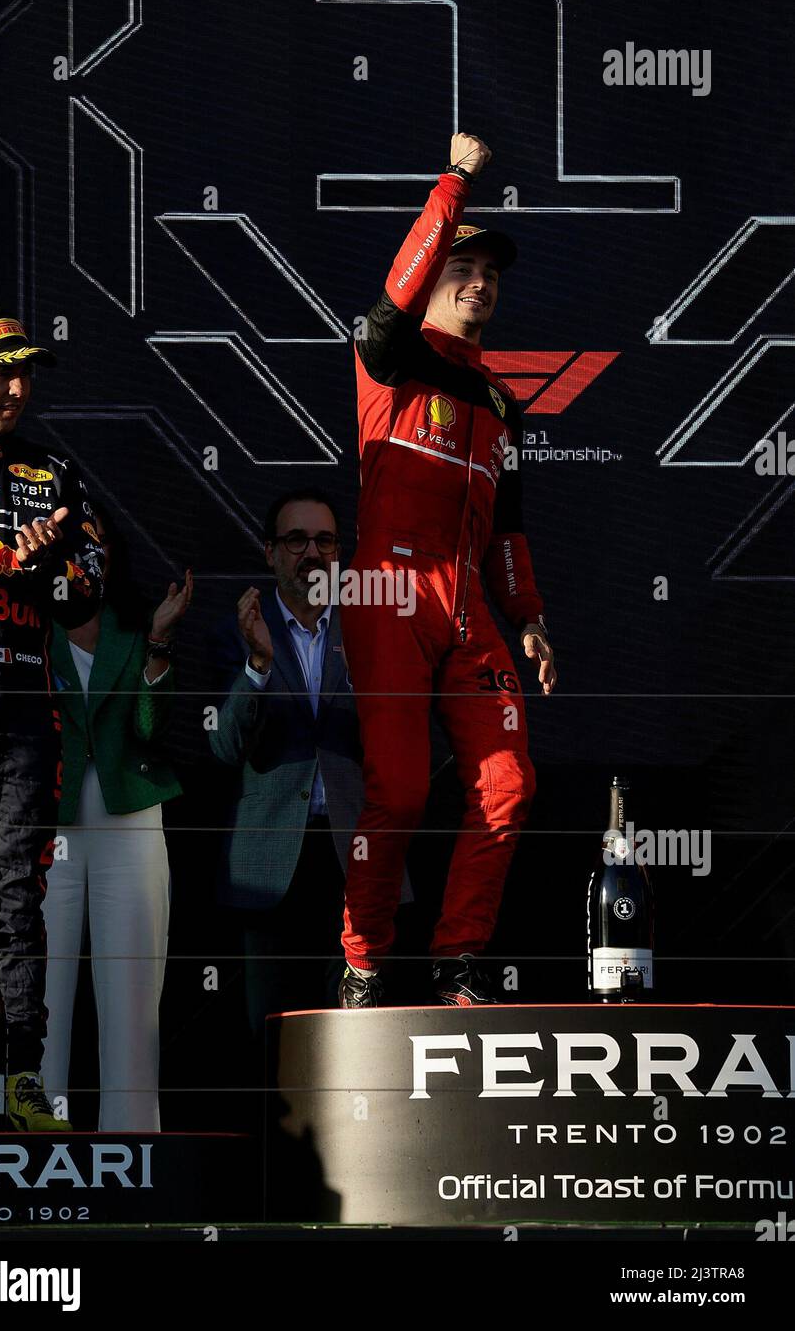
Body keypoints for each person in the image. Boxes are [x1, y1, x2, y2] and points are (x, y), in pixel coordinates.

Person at [339, 134, 557, 1008]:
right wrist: (454, 182)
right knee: (394, 791)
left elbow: (508, 527)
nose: (481, 284)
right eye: (463, 269)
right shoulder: (389, 353)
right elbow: (397, 293)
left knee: (509, 782)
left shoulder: (502, 401)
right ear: (431, 278)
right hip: (387, 588)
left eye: (492, 276)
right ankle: (362, 958)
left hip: (467, 601)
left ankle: (456, 961)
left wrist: (531, 615)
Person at [0, 305, 104, 1127]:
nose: (20, 387)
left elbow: (90, 596)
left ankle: (23, 1082)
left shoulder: (53, 472)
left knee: (15, 901)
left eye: (28, 372)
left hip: (26, 713)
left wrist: (38, 571)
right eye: (4, 372)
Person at [210, 488, 392, 1041]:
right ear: (270, 552)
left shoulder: (374, 632)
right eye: (296, 540)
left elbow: (406, 743)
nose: (311, 552)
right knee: (270, 1036)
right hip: (269, 865)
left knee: (359, 1040)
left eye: (325, 540)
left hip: (356, 859)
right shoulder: (236, 631)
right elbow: (222, 748)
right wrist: (259, 665)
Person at [41, 507, 192, 1131]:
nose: (85, 555)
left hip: (130, 818)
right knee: (37, 999)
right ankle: (33, 1134)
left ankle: (133, 1152)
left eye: (95, 544)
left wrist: (158, 642)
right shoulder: (25, 626)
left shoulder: (134, 631)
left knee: (132, 1004)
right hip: (44, 822)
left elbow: (152, 732)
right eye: (73, 544)